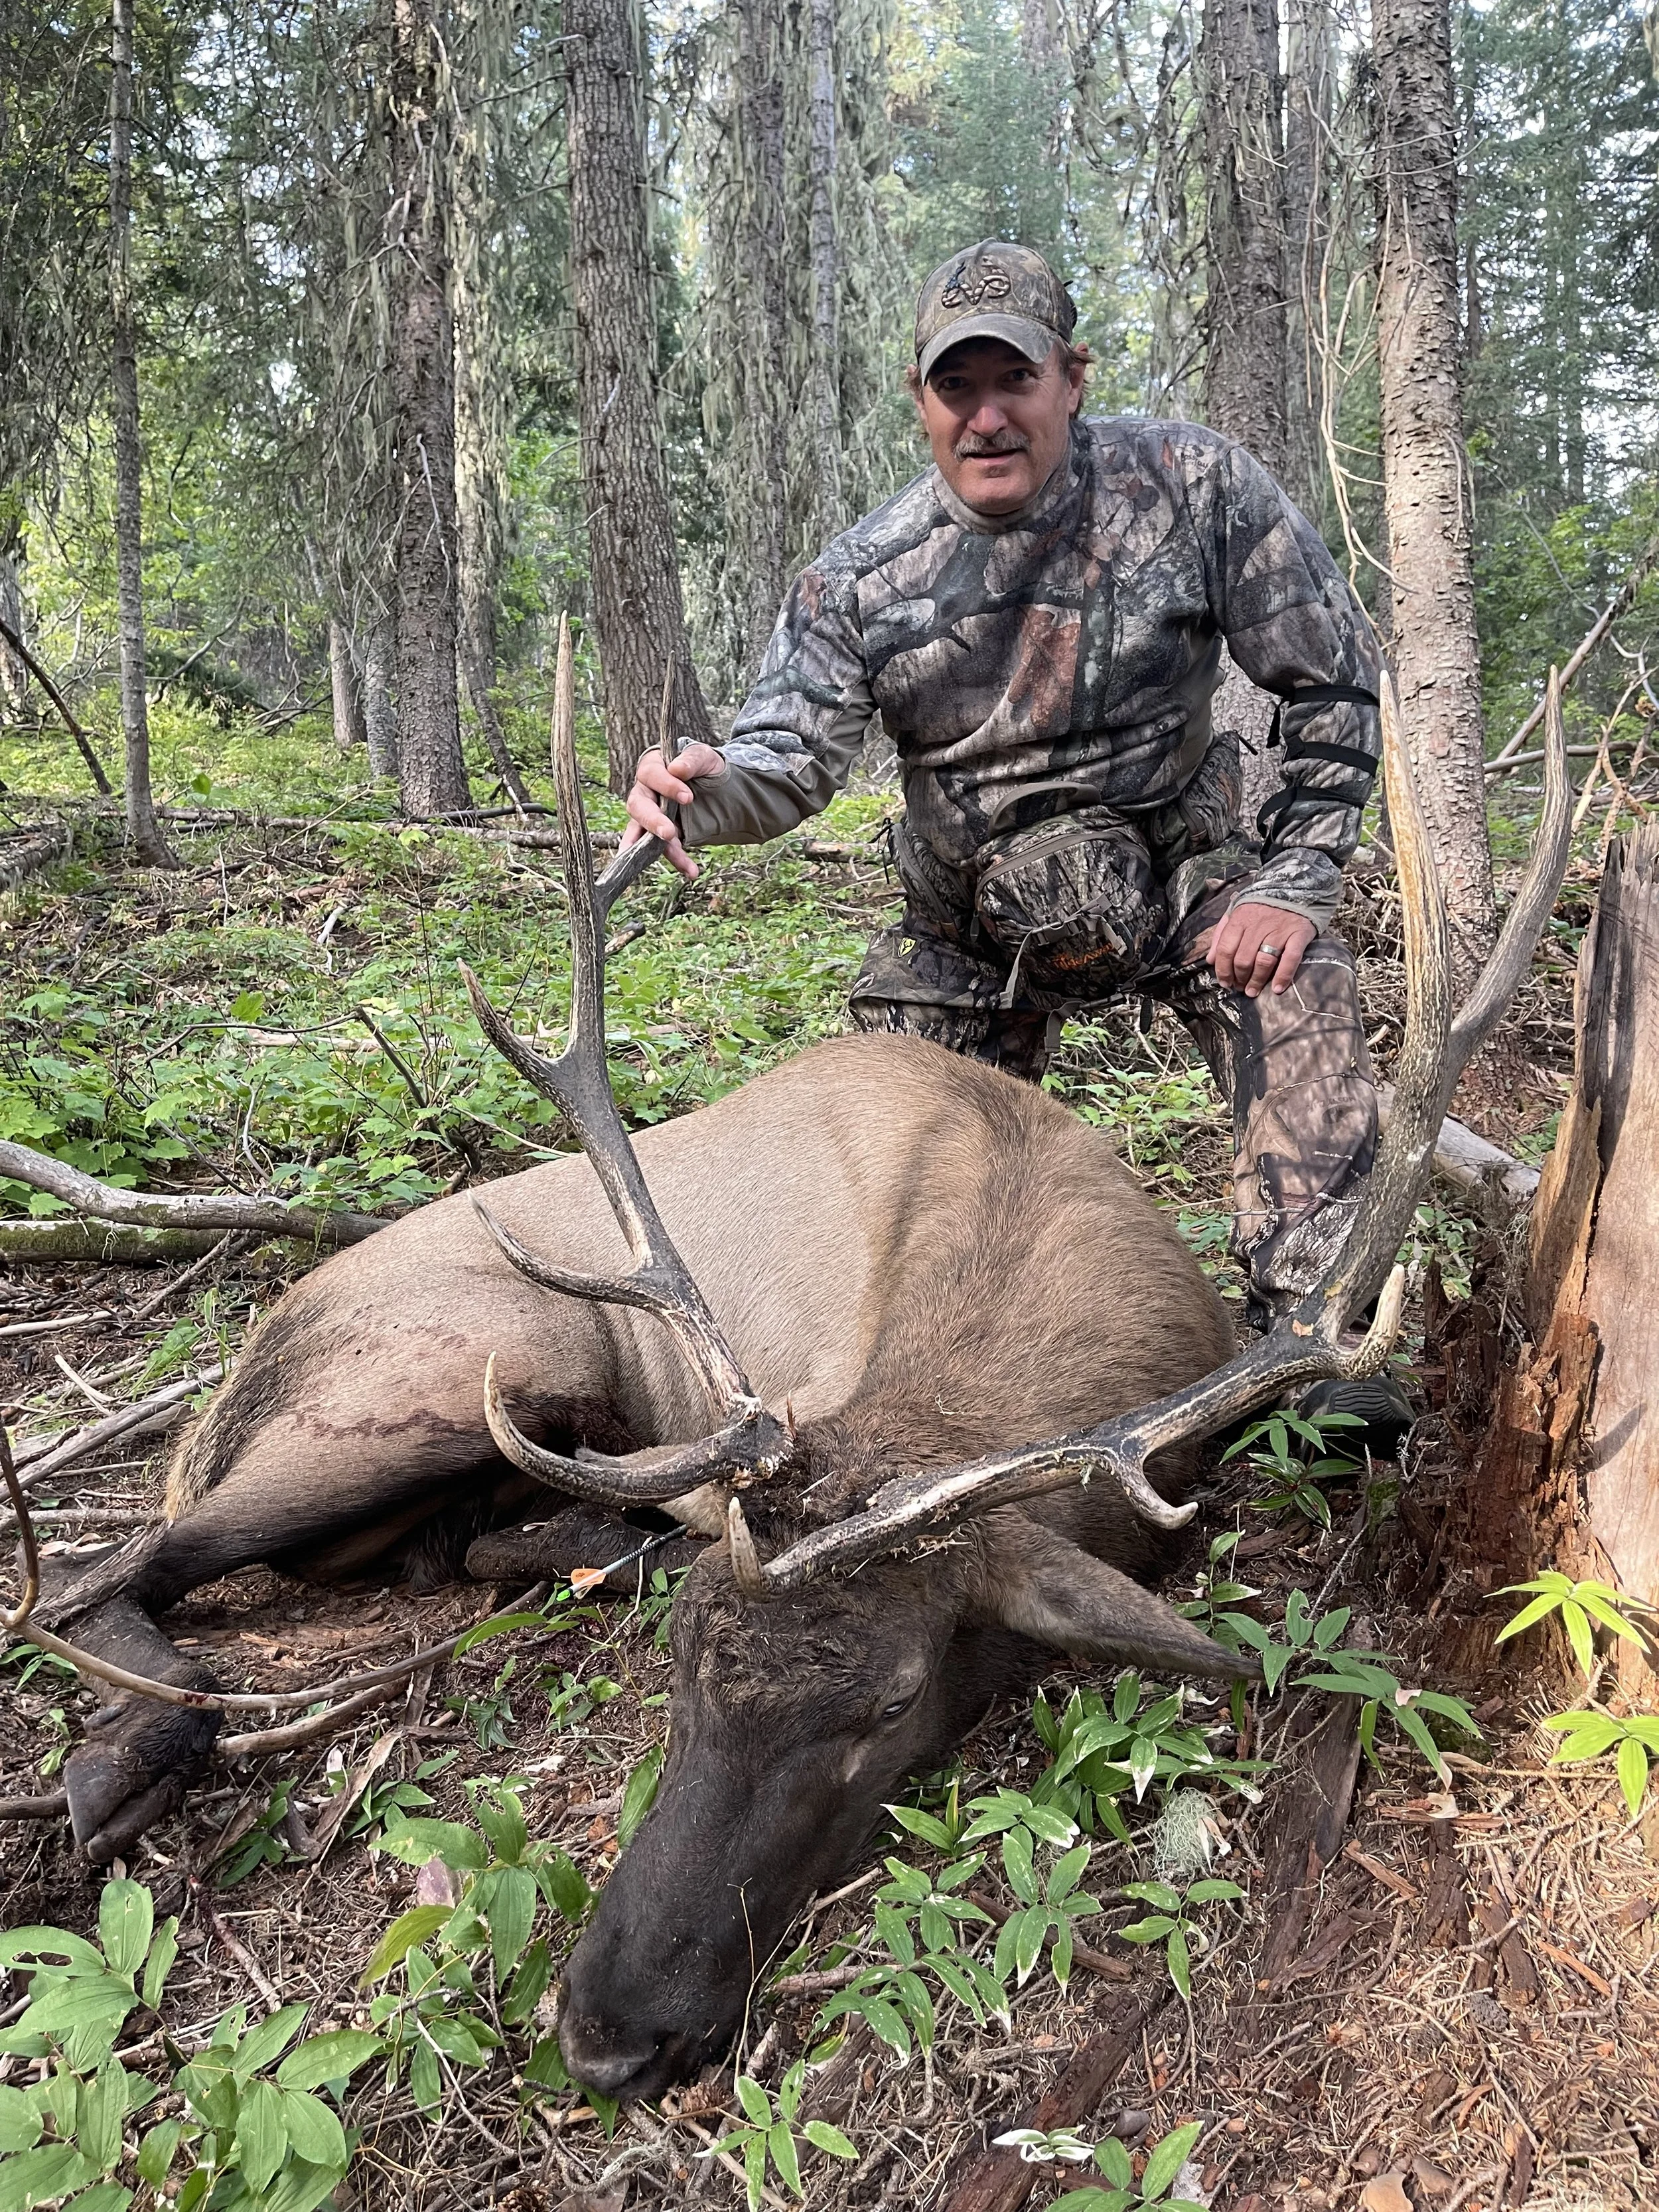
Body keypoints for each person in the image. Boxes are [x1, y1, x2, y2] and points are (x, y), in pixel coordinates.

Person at [624, 240, 1407, 1438]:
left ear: (1072, 378)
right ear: (920, 399)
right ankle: (887, 1398)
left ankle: (1317, 1349)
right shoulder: (860, 580)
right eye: (957, 389)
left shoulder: (1194, 486)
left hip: (1182, 878)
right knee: (880, 1154)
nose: (986, 417)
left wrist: (1294, 882)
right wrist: (699, 789)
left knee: (1298, 989)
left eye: (1015, 381)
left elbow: (1335, 680)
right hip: (971, 924)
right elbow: (781, 770)